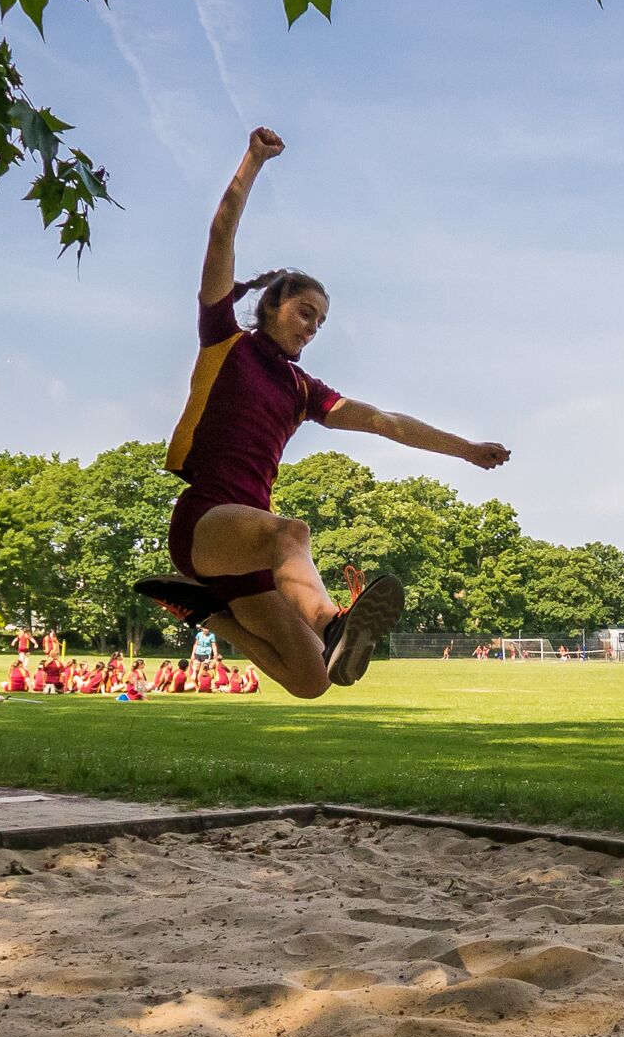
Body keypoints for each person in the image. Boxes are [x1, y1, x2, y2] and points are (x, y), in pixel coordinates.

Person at [150, 127, 509, 697]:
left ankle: (205, 612)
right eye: (305, 312)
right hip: (208, 522)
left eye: (321, 321)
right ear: (272, 306)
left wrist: (465, 449)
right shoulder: (226, 342)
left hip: (250, 549)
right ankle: (332, 622)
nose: (313, 327)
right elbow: (220, 233)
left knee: (311, 679)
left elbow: (383, 422)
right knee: (292, 531)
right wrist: (253, 160)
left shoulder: (303, 389)